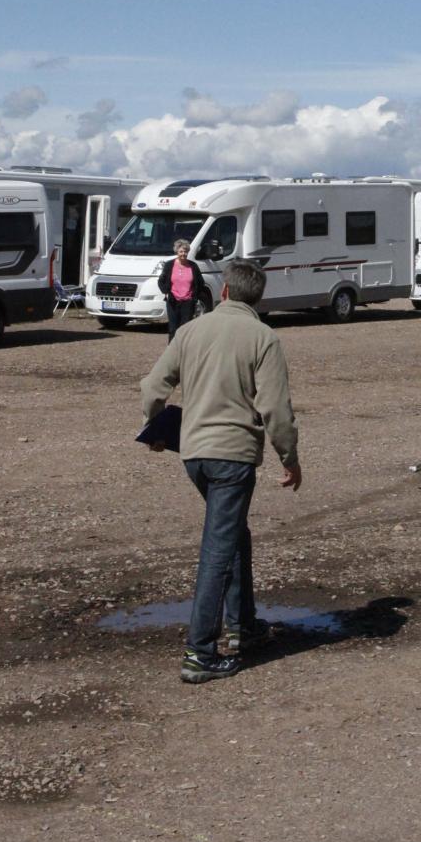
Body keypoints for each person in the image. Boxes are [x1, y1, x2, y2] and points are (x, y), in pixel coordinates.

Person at [140, 258, 303, 684]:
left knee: (233, 536)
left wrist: (155, 429)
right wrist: (290, 458)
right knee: (218, 550)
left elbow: (152, 387)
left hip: (194, 455)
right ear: (256, 299)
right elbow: (276, 409)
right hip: (233, 457)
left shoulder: (191, 330)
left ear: (225, 291)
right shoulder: (263, 338)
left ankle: (243, 624)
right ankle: (200, 653)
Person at [158, 238, 203, 340]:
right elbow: (161, 281)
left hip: (188, 302)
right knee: (173, 328)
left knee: (185, 329)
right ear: (177, 252)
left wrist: (194, 297)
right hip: (173, 301)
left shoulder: (193, 266)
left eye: (185, 251)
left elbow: (200, 283)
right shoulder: (169, 265)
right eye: (181, 251)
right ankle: (172, 348)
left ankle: (184, 348)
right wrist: (166, 292)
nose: (183, 254)